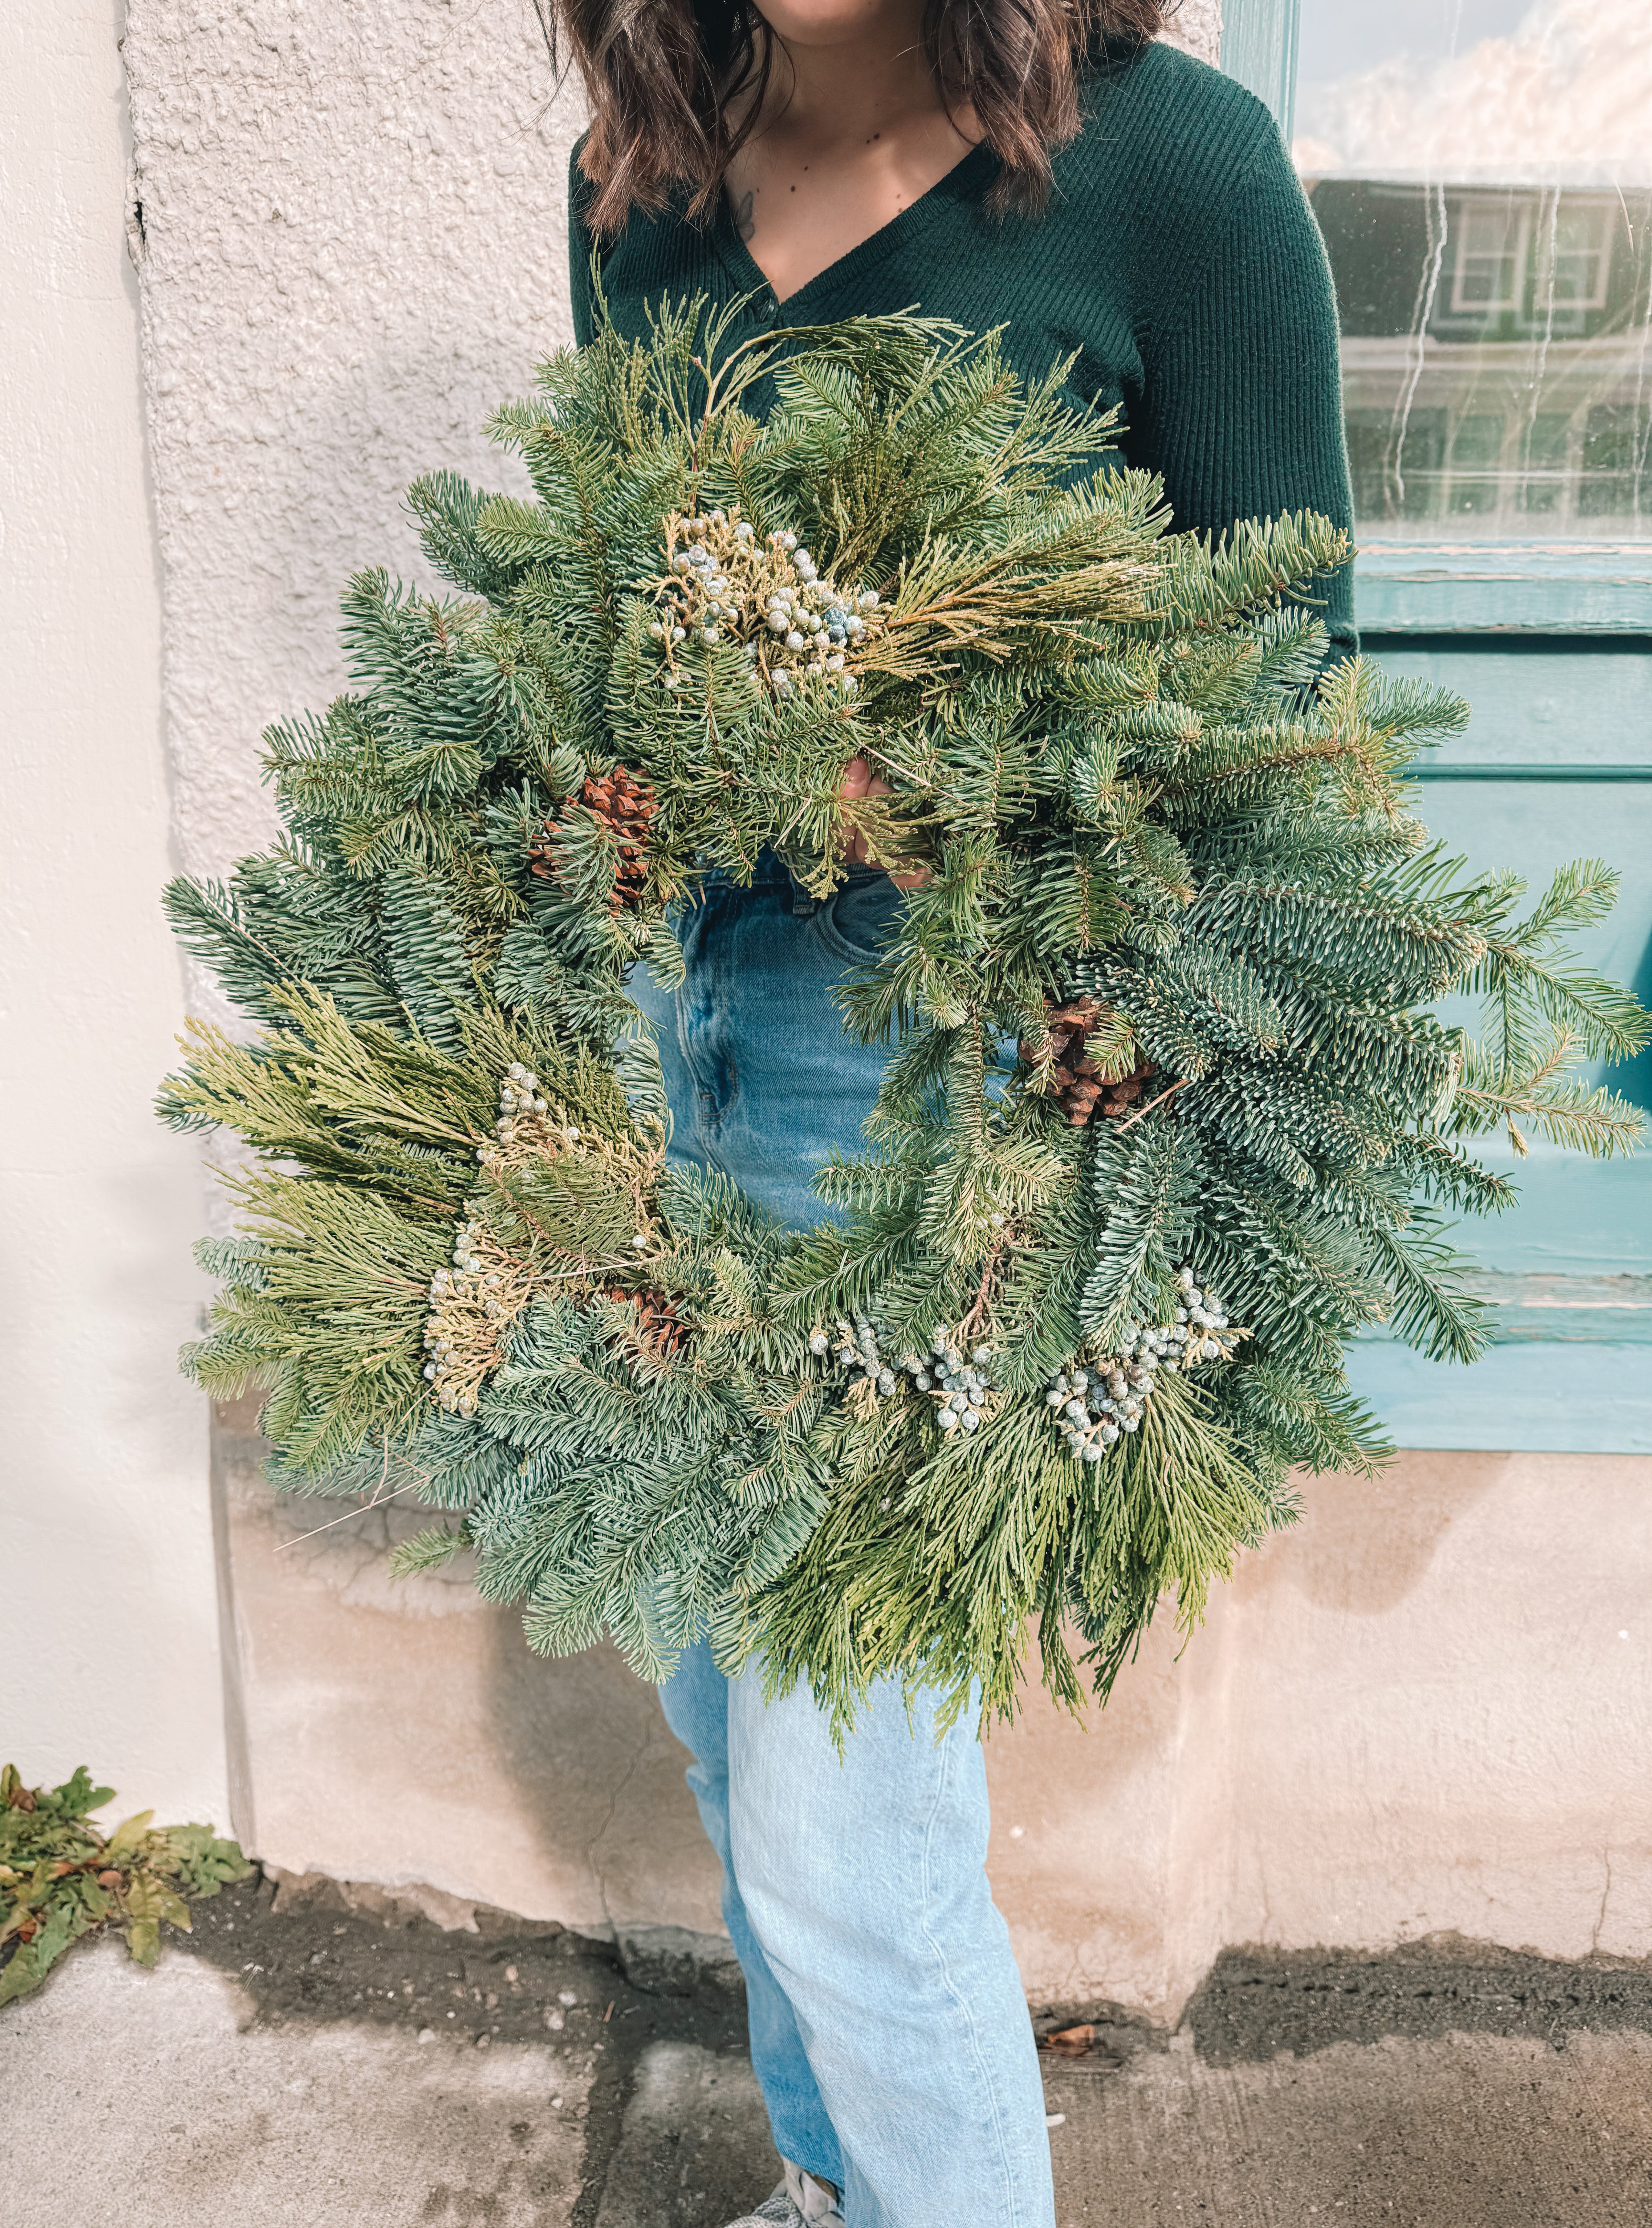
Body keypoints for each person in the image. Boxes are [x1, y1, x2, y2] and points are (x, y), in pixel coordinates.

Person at [550, 1, 1354, 2221]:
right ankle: (839, 2190)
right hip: (673, 1030)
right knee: (736, 1741)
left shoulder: (1169, 165)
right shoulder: (645, 178)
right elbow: (627, 611)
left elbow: (1287, 687)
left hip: (931, 1089)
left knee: (848, 1831)